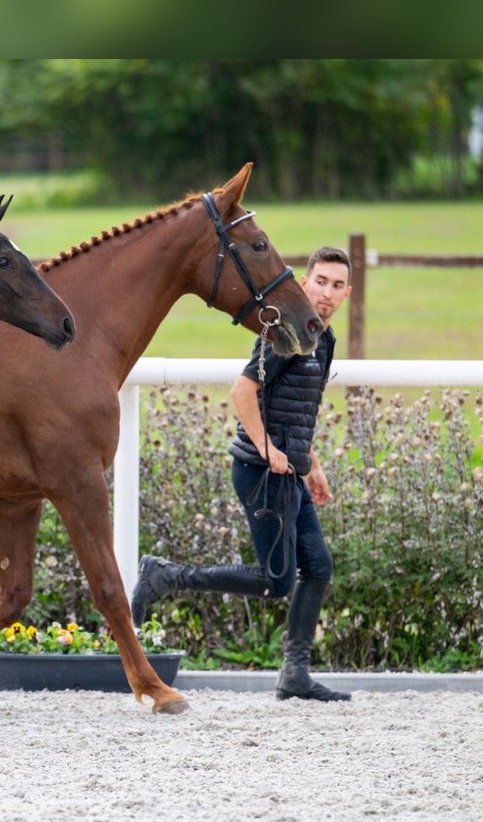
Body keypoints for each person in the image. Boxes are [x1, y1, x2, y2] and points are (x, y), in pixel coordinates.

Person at [131, 246, 353, 702]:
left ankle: (295, 674)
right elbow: (243, 390)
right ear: (305, 282)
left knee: (319, 566)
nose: (327, 293)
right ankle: (165, 576)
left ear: (346, 293)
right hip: (261, 470)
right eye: (321, 282)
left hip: (289, 472)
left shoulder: (322, 339)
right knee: (276, 581)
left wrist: (312, 464)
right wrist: (267, 447)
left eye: (337, 286)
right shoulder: (288, 332)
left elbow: (299, 408)